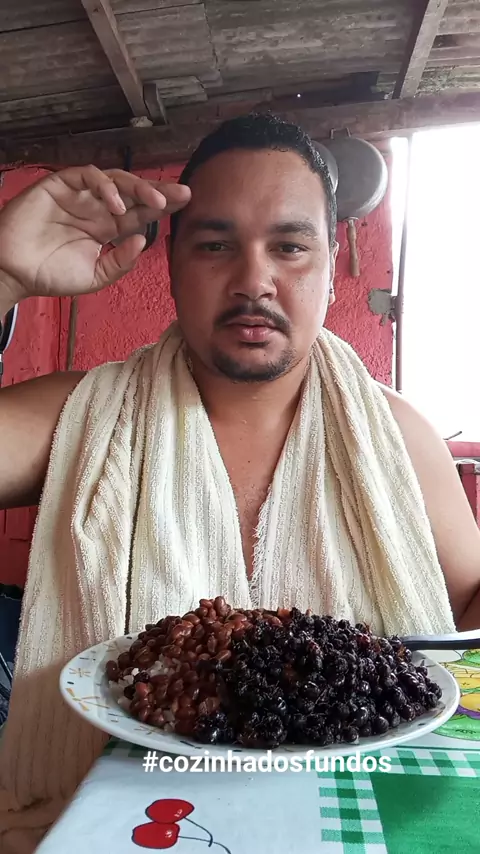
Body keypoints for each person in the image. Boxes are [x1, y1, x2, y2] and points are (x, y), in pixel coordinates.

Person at [0, 113, 479, 851]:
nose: (254, 280)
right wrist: (2, 275)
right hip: (117, 825)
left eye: (290, 246)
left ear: (329, 264)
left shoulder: (399, 435)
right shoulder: (80, 414)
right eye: (216, 245)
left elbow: (469, 605)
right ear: (171, 265)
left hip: (370, 818)